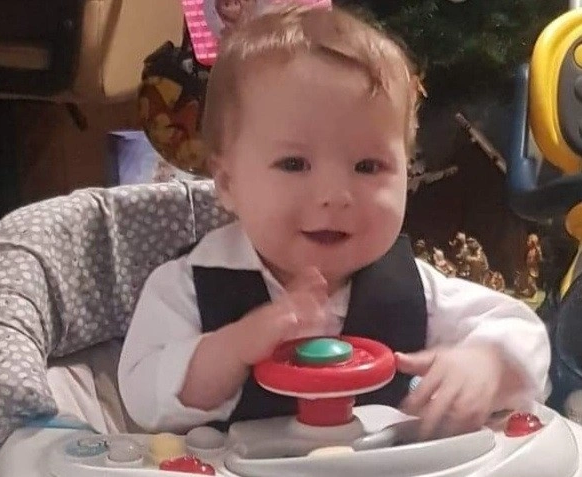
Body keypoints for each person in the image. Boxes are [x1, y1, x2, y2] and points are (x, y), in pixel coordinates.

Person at [118, 3, 550, 440]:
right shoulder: (192, 285)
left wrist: (487, 364)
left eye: (368, 166)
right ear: (228, 183)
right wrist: (234, 348)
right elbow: (142, 393)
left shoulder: (409, 286)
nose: (334, 196)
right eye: (293, 164)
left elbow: (521, 332)